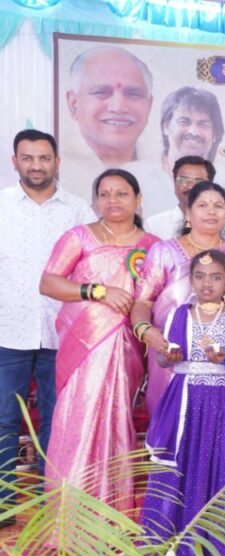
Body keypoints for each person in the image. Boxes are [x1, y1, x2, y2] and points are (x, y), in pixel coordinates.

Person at [39, 168, 157, 510]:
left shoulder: (153, 246)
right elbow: (48, 282)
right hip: (83, 348)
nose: (112, 200)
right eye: (104, 194)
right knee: (76, 420)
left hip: (127, 348)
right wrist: (97, 291)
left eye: (121, 193)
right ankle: (68, 513)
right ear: (94, 201)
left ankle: (112, 512)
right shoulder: (80, 237)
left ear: (138, 199)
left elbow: (156, 298)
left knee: (117, 420)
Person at [140, 249, 225, 556]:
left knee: (217, 463)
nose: (207, 283)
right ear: (191, 281)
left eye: (216, 277)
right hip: (182, 401)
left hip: (219, 404)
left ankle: (216, 549)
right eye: (200, 276)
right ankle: (167, 544)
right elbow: (164, 357)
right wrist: (169, 356)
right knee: (178, 463)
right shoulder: (178, 315)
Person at [0, 129, 93, 524]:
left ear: (57, 162)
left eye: (44, 158)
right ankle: (3, 504)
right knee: (4, 420)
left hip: (62, 334)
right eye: (28, 158)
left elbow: (92, 266)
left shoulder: (78, 211)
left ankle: (51, 502)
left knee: (58, 419)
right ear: (15, 162)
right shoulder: (2, 206)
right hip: (8, 331)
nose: (36, 165)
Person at [132, 181, 225, 417]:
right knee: (170, 423)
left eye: (218, 206)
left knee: (213, 425)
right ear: (188, 213)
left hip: (221, 363)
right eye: (202, 205)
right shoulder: (164, 252)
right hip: (169, 354)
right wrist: (146, 331)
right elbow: (143, 302)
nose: (211, 211)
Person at [65, 46, 153, 167]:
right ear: (73, 103)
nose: (118, 107)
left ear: (149, 106)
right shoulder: (54, 166)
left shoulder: (162, 167)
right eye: (101, 92)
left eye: (133, 94)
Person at [143, 156, 225, 241]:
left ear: (210, 185)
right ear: (174, 182)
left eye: (198, 181)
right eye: (183, 180)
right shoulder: (154, 225)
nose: (190, 187)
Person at [159, 87, 224, 172]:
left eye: (203, 124)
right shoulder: (144, 175)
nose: (193, 132)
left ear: (214, 133)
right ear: (166, 127)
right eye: (184, 121)